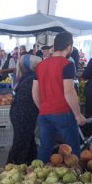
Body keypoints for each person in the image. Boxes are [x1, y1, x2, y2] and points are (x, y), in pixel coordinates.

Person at [32, 31, 86, 162]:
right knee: (72, 150)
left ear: (54, 46)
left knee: (45, 148)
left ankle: (39, 177)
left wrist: (42, 108)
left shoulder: (40, 65)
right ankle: (77, 178)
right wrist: (78, 115)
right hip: (63, 113)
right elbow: (69, 91)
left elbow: (34, 92)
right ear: (69, 47)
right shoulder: (68, 64)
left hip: (44, 114)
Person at [7, 55, 42, 165]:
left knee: (28, 141)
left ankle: (31, 165)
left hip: (19, 113)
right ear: (32, 66)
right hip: (25, 115)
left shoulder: (23, 76)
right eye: (38, 64)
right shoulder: (32, 78)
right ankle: (12, 168)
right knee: (21, 144)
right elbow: (36, 96)